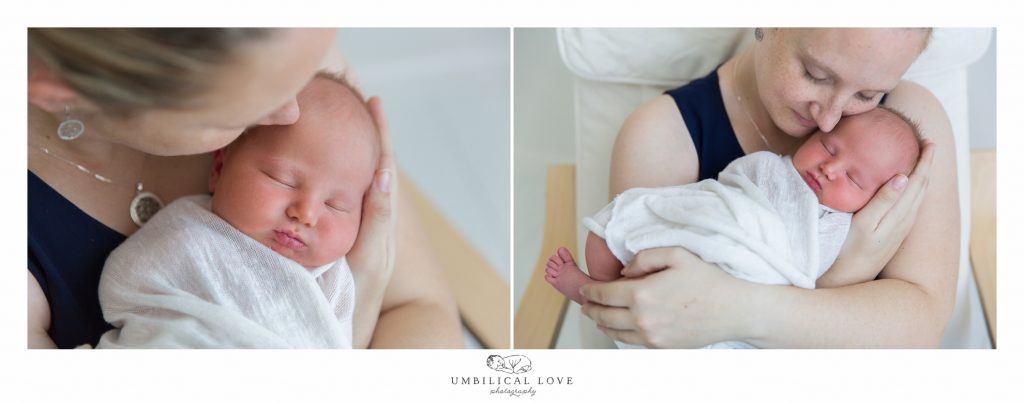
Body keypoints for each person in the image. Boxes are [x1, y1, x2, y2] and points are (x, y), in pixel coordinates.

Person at [28, 28, 461, 349]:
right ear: (69, 94)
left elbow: (423, 311)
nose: (291, 113)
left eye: (293, 82)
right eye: (235, 116)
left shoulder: (285, 41)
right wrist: (353, 327)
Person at [580, 28, 958, 348]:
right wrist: (843, 289)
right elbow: (649, 318)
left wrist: (734, 309)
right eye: (815, 74)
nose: (829, 119)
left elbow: (921, 330)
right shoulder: (663, 136)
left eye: (866, 95)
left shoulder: (910, 127)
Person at [547, 107, 923, 347]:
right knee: (610, 235)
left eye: (854, 179)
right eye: (828, 147)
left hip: (748, 287)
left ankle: (594, 294)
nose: (829, 168)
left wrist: (848, 270)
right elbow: (721, 193)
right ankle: (593, 289)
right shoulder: (771, 166)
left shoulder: (839, 228)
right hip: (699, 239)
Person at [96, 74, 385, 348]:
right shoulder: (186, 237)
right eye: (281, 179)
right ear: (219, 168)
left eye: (336, 205)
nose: (306, 213)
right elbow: (126, 283)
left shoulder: (334, 281)